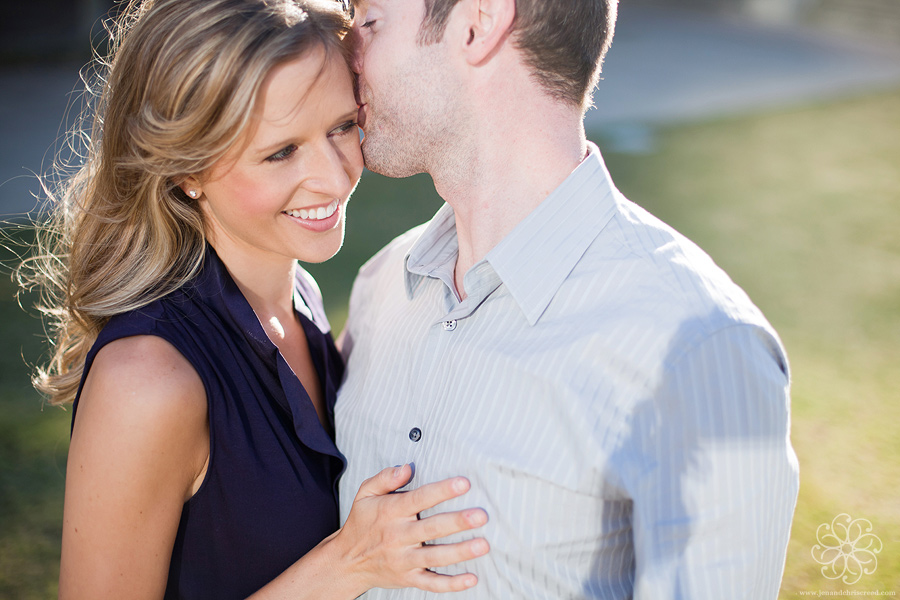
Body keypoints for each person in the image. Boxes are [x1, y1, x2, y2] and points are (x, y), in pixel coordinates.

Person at [19, 0, 491, 598]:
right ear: (186, 168)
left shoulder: (300, 296)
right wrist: (347, 563)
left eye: (342, 126)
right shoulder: (147, 380)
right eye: (280, 152)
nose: (333, 175)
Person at [336, 0, 800, 597]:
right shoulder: (382, 287)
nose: (344, 54)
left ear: (478, 23)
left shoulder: (698, 349)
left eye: (369, 22)